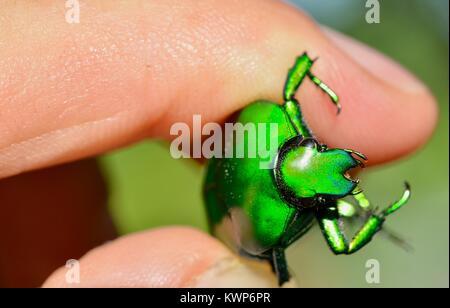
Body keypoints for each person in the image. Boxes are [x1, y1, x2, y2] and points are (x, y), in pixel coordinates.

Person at [0, 0, 437, 287]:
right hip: (233, 201)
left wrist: (310, 62)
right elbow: (340, 244)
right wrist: (381, 216)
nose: (331, 156)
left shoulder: (278, 122)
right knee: (276, 254)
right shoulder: (279, 149)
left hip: (230, 190)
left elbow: (289, 93)